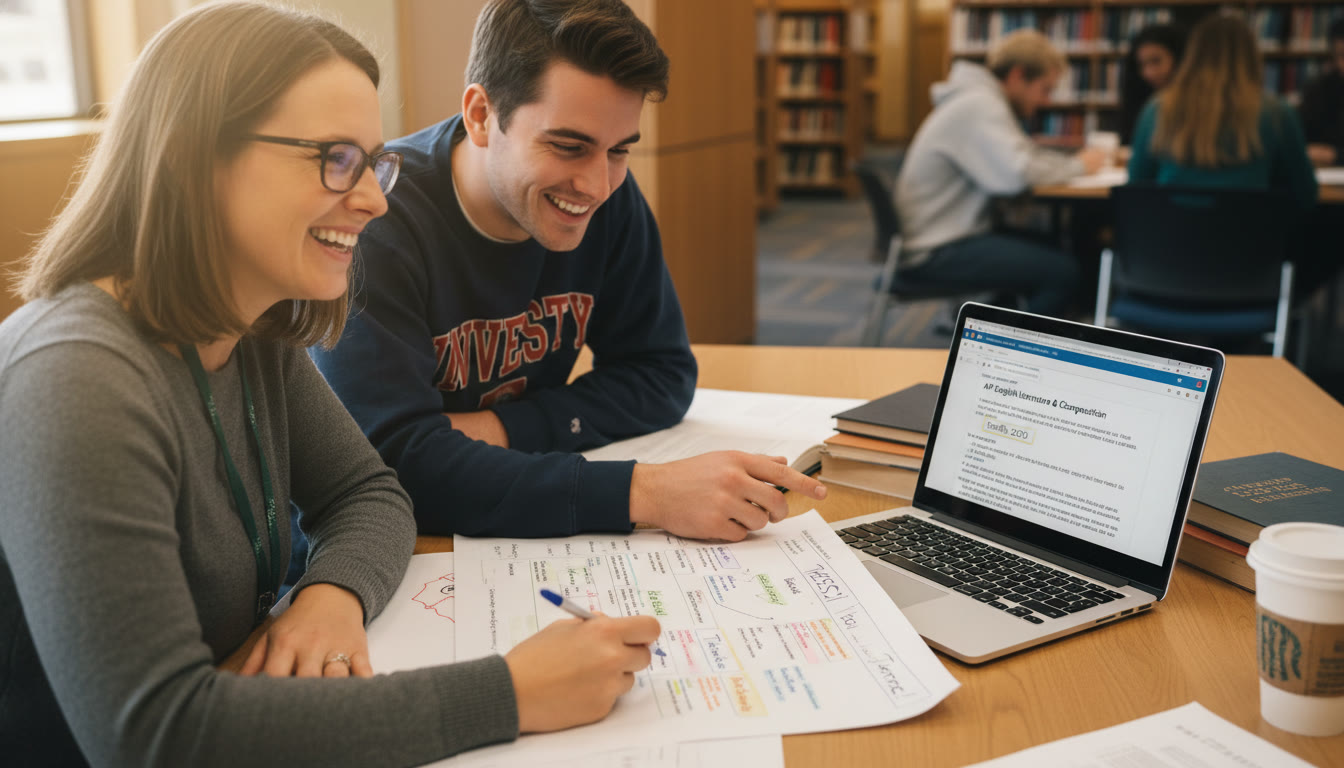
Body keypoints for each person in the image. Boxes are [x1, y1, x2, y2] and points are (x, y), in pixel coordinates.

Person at [0, 4, 660, 766]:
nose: (377, 200)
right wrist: (510, 693)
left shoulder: (249, 327)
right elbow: (156, 735)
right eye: (335, 159)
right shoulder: (73, 380)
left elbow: (370, 495)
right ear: (196, 156)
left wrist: (332, 595)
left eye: (373, 163)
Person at [310, 0, 826, 542]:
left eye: (619, 151)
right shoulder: (376, 221)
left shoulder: (604, 200)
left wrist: (502, 430)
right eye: (567, 146)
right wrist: (644, 493)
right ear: (482, 115)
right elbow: (389, 465)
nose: (598, 186)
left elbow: (662, 375)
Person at [893, 29, 1107, 319]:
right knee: (1062, 271)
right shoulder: (981, 105)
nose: (1046, 102)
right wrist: (1080, 166)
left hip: (942, 236)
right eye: (1045, 89)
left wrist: (1065, 162)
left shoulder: (979, 100)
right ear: (1018, 76)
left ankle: (994, 332)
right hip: (936, 250)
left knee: (1051, 248)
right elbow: (1017, 174)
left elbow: (1020, 156)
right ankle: (1021, 354)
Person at [1128, 14, 1318, 212]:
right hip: (1249, 237)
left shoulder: (1159, 109)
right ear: (1252, 57)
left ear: (1192, 56)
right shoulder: (1277, 113)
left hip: (1171, 237)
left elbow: (1136, 188)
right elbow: (1303, 194)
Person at [1117, 24, 1187, 146]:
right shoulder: (1144, 100)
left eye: (1156, 61)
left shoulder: (1192, 104)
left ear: (1179, 59)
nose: (1148, 73)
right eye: (1142, 65)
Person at [1298, 17, 1344, 167]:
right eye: (1342, 55)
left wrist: (1336, 155)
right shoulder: (1317, 90)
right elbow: (1301, 144)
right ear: (1334, 58)